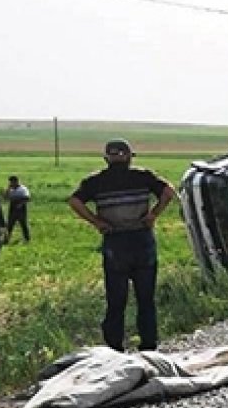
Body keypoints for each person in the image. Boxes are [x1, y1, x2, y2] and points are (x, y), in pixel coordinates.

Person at [68, 139, 176, 352]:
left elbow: (74, 201)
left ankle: (115, 348)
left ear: (106, 159)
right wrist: (153, 214)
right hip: (142, 239)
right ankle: (148, 346)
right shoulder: (142, 176)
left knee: (116, 299)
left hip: (115, 241)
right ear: (129, 156)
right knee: (146, 298)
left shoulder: (96, 181)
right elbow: (169, 191)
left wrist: (97, 222)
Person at [3, 175, 31, 243]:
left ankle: (27, 239)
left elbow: (27, 198)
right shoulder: (11, 189)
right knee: (10, 225)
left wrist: (20, 204)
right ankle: (6, 239)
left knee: (23, 224)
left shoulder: (23, 189)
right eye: (10, 182)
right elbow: (6, 198)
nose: (11, 183)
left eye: (12, 182)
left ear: (16, 181)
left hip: (21, 209)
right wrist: (8, 190)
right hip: (12, 209)